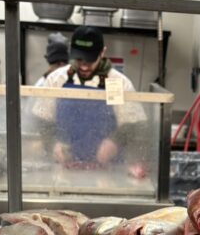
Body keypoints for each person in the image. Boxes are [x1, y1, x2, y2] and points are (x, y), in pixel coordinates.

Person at [33, 26, 147, 172]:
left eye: (90, 60)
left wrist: (114, 141)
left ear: (102, 52)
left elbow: (132, 124)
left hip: (109, 170)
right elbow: (43, 120)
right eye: (79, 59)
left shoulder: (117, 82)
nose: (84, 67)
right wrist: (53, 144)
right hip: (64, 169)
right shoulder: (57, 79)